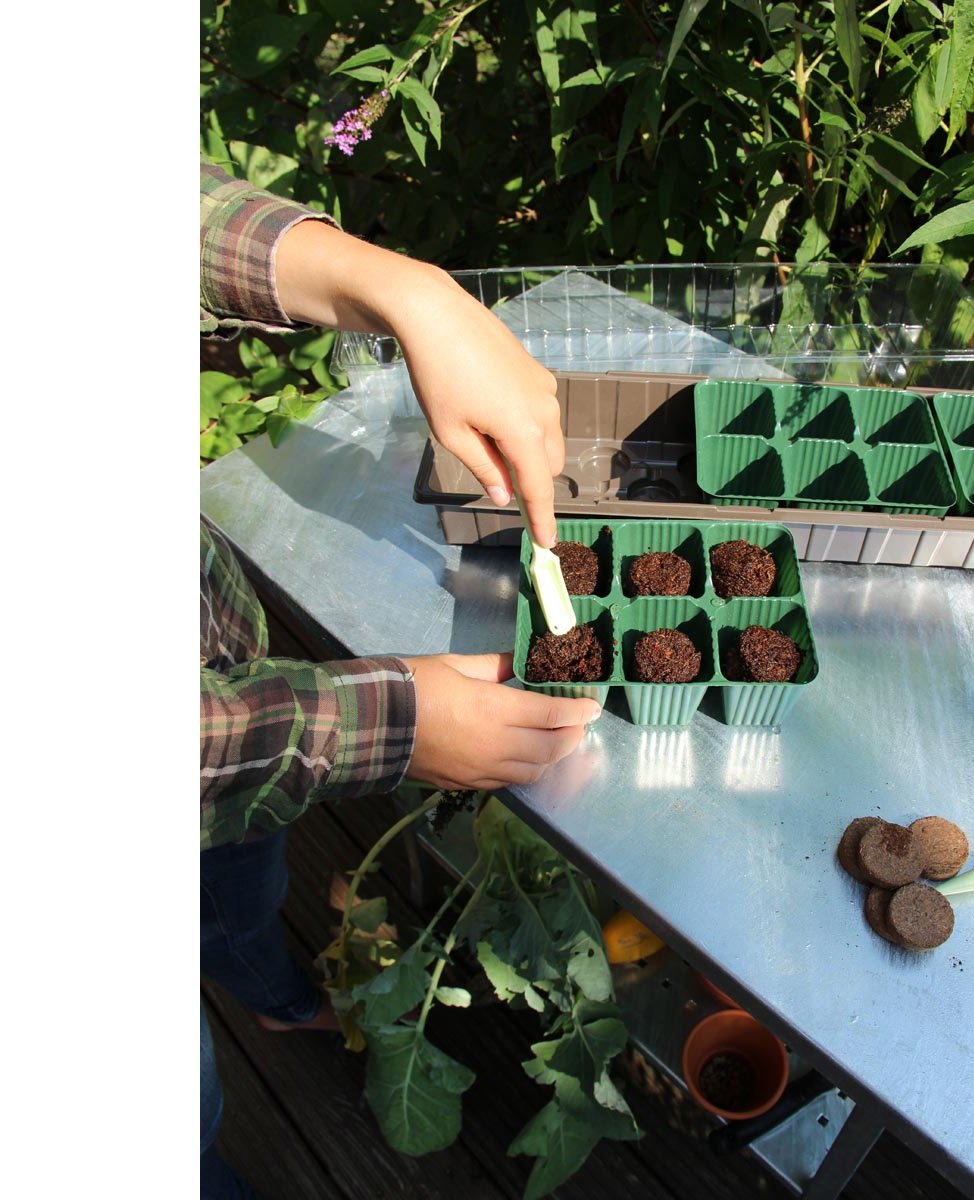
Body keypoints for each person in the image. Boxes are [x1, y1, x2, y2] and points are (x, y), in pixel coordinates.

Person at [199, 160, 599, 1198]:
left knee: (243, 880)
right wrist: (389, 723)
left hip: (223, 678)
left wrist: (405, 290)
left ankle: (269, 988)